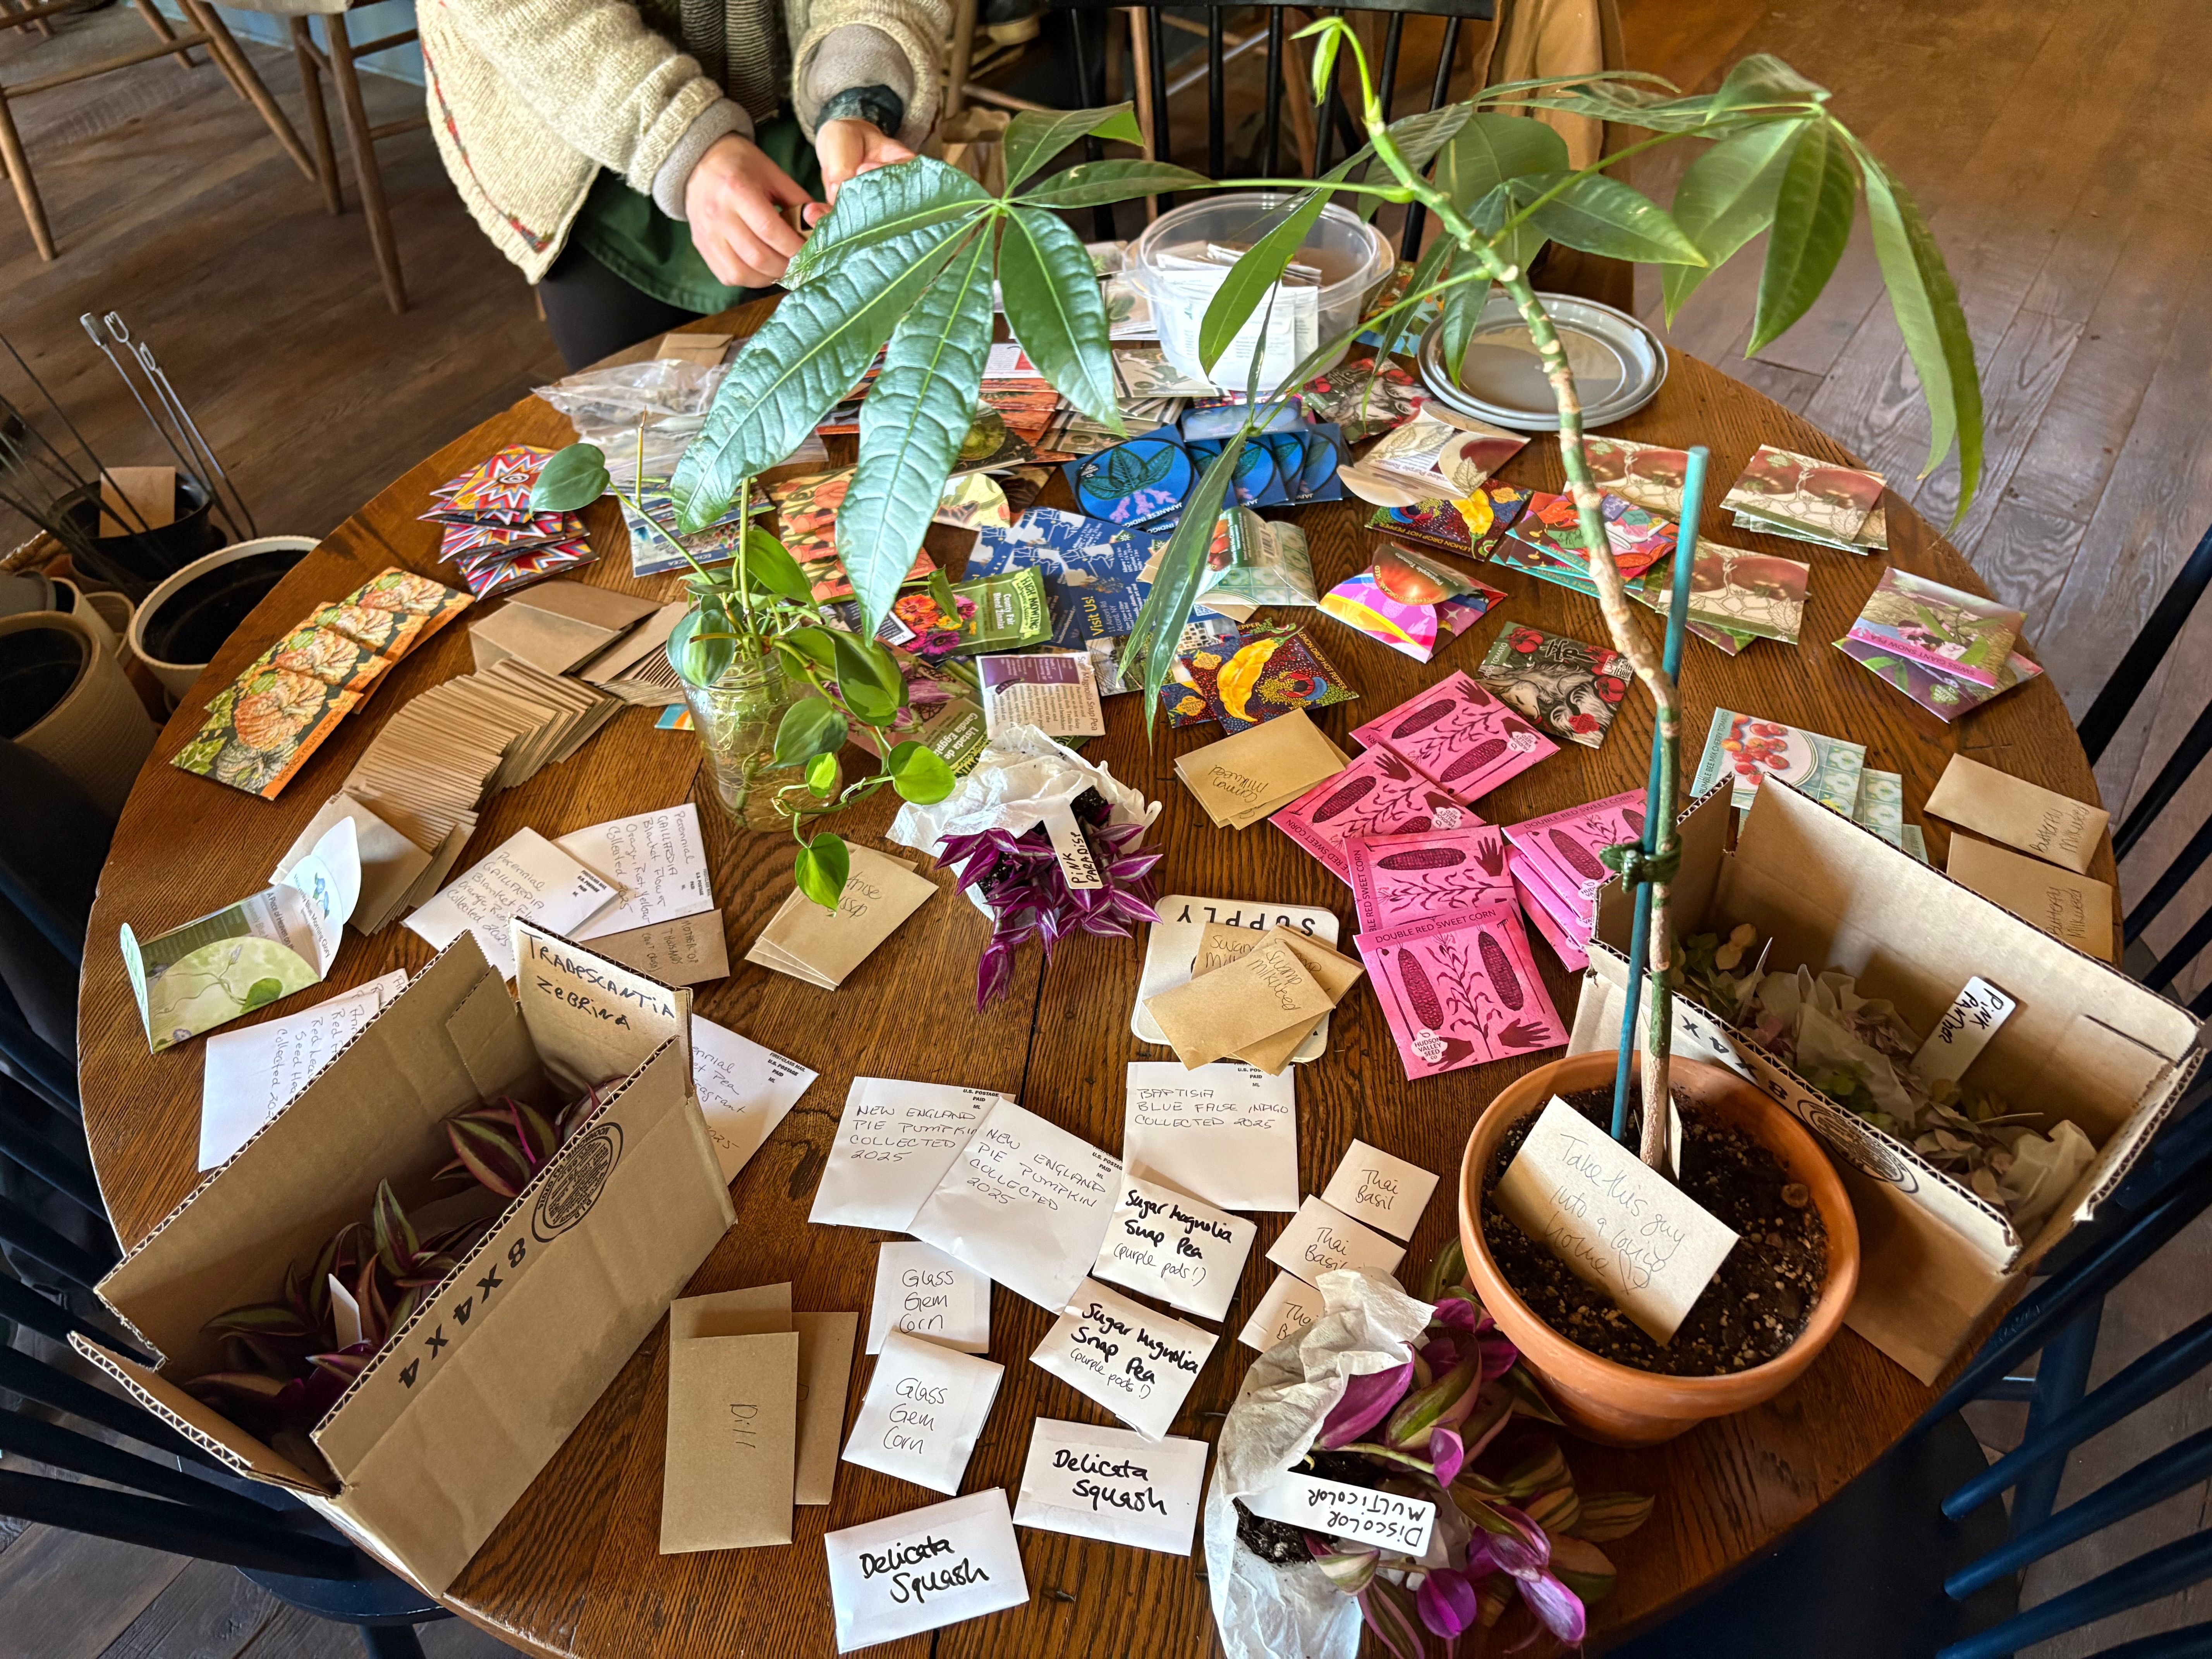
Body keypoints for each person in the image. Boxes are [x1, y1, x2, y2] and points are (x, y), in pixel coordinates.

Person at [419, 0, 951, 368]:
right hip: (584, 131)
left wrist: (857, 92)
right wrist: (681, 141)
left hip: (803, 115)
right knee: (644, 443)